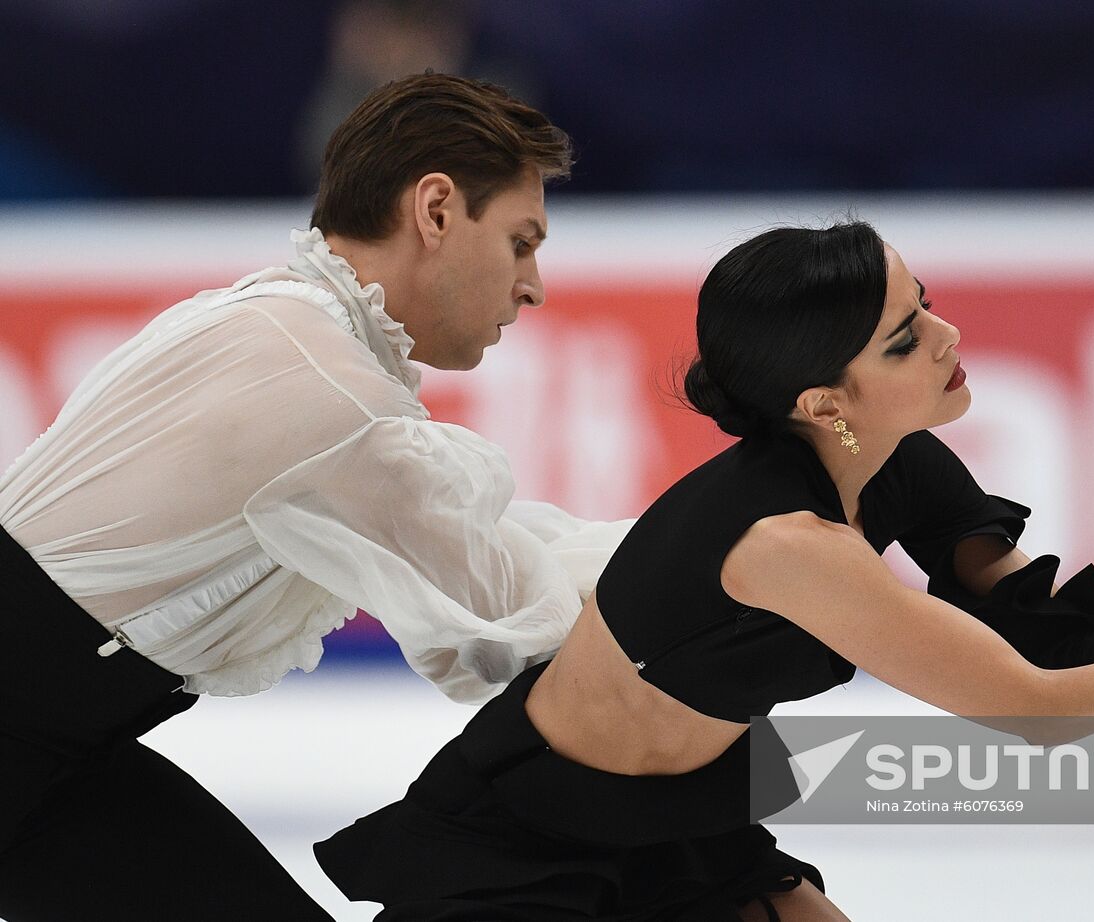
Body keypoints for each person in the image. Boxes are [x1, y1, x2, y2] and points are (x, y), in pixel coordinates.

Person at [315, 221, 1094, 921]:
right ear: (824, 403)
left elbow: (1041, 642)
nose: (950, 337)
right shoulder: (783, 546)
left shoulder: (904, 465)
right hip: (520, 845)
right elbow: (1040, 712)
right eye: (906, 337)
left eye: (927, 304)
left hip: (687, 820)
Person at [0, 74, 631, 921]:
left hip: (59, 748)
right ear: (436, 210)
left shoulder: (275, 326)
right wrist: (744, 578)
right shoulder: (329, 396)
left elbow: (495, 547)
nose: (534, 285)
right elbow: (505, 627)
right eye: (522, 242)